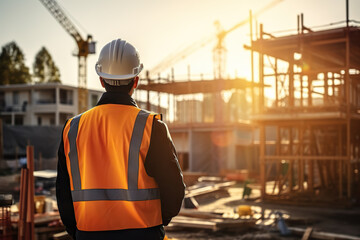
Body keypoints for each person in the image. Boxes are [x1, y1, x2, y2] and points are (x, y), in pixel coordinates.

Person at [56, 39, 185, 240]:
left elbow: (63, 194)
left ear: (101, 80)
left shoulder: (72, 129)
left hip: (88, 234)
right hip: (144, 234)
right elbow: (174, 192)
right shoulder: (151, 127)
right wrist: (154, 225)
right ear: (136, 80)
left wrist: (79, 231)